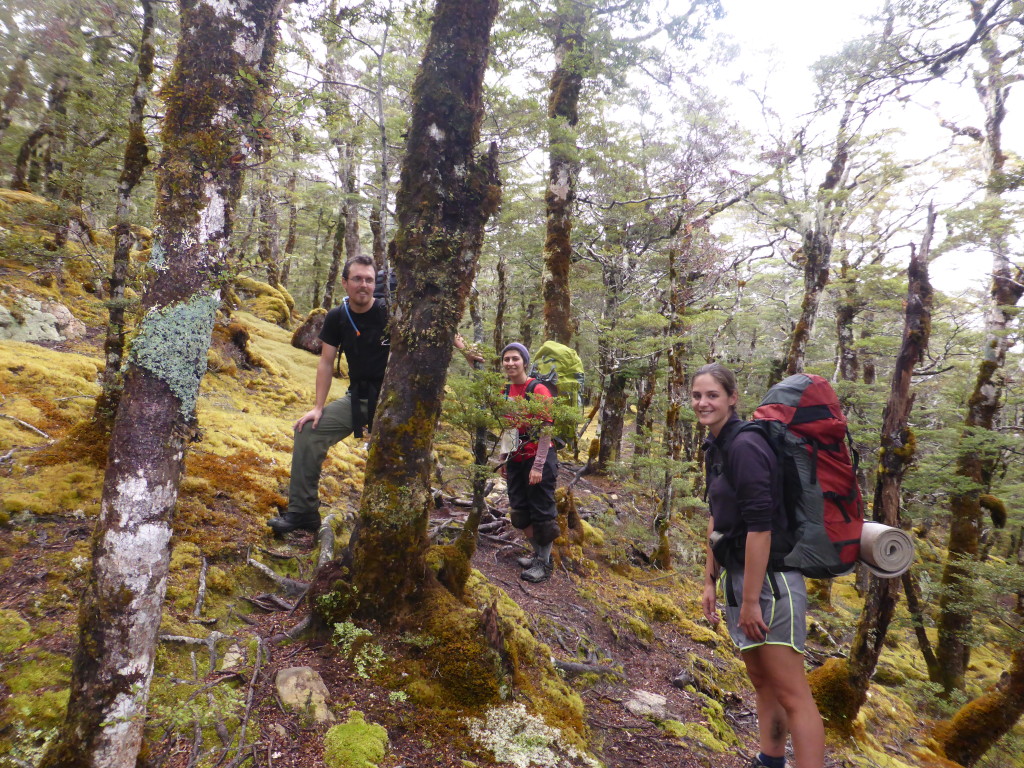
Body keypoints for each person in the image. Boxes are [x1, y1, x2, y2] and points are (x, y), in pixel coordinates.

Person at [268, 255, 479, 534]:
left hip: (399, 401)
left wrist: (466, 351)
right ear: (345, 283)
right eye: (357, 279)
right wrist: (318, 407)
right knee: (308, 431)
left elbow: (436, 322)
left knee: (400, 460)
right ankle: (303, 513)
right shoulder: (337, 317)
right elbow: (326, 362)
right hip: (360, 399)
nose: (363, 285)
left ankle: (403, 523)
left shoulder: (389, 311)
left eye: (369, 279)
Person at [695, 363, 825, 768]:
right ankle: (770, 760)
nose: (703, 403)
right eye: (697, 396)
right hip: (740, 577)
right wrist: (710, 581)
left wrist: (751, 600)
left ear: (732, 398)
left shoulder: (746, 446)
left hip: (772, 581)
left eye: (713, 395)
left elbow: (760, 527)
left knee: (792, 693)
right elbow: (718, 519)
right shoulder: (716, 447)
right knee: (762, 680)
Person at [498, 342, 559, 583]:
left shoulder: (538, 389)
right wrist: (505, 458)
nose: (510, 363)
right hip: (516, 457)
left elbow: (546, 430)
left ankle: (544, 564)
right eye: (506, 359)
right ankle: (538, 555)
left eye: (515, 359)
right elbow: (509, 428)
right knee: (521, 513)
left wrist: (538, 466)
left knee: (542, 514)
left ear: (524, 361)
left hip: (538, 457)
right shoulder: (505, 390)